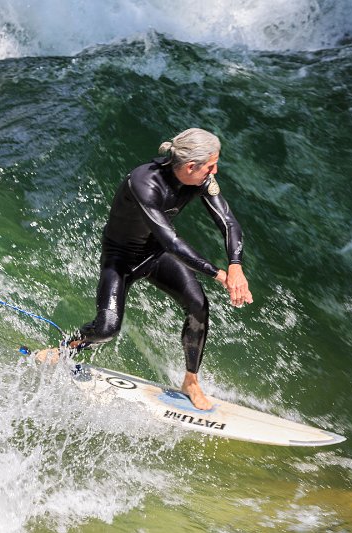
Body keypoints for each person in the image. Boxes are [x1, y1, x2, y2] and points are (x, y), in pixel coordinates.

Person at [69, 128, 252, 410]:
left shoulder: (201, 180)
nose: (214, 171)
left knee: (197, 304)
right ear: (191, 166)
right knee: (106, 329)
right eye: (211, 165)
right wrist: (219, 274)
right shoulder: (144, 182)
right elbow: (173, 241)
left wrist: (236, 266)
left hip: (156, 254)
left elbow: (228, 222)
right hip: (121, 258)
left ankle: (191, 380)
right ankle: (67, 349)